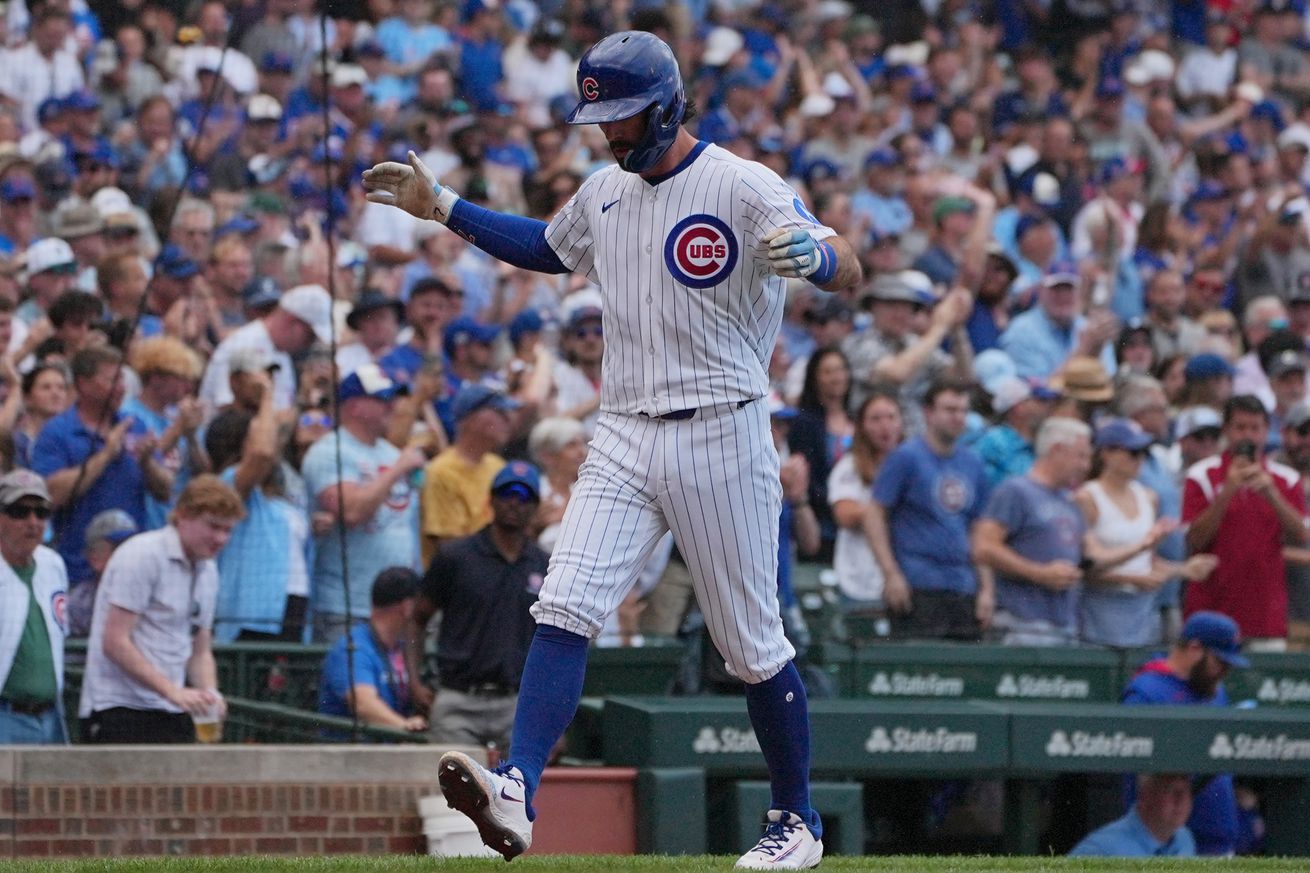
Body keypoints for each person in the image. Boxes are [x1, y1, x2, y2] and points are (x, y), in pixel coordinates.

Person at [364, 30, 861, 868]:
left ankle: (796, 820)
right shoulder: (604, 191)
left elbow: (847, 262)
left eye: (624, 116)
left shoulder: (740, 182)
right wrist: (444, 205)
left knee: (751, 644)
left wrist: (815, 255)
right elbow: (544, 248)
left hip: (723, 426)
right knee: (563, 603)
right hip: (625, 428)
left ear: (667, 106)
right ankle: (517, 783)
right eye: (601, 117)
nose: (610, 131)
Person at [78, 476, 244, 744]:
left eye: (228, 530)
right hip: (119, 706)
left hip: (173, 709)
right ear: (183, 516)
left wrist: (210, 693)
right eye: (213, 526)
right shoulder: (142, 554)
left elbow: (200, 648)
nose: (221, 538)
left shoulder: (208, 570)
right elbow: (115, 641)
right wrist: (172, 691)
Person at [413, 462, 550, 750]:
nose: (514, 502)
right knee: (455, 778)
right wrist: (414, 682)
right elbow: (417, 618)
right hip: (458, 698)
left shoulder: (545, 564)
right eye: (507, 493)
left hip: (518, 703)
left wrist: (551, 716)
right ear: (491, 500)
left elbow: (555, 638)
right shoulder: (456, 556)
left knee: (521, 781)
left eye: (524, 496)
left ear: (535, 506)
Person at [302, 364, 425, 643]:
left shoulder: (392, 453)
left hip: (399, 606)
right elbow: (352, 512)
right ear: (354, 406)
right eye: (382, 399)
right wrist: (397, 471)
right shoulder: (329, 451)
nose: (391, 406)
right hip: (348, 606)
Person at [31, 346, 169, 588]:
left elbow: (165, 490)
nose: (121, 388)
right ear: (83, 384)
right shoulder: (57, 432)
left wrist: (147, 463)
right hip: (77, 572)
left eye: (122, 380)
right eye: (112, 380)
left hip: (132, 568)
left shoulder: (134, 425)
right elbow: (51, 495)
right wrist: (106, 454)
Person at [867, 380, 992, 640]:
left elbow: (979, 531)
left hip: (963, 586)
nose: (958, 417)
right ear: (928, 413)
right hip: (917, 584)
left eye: (963, 410)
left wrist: (987, 589)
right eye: (950, 410)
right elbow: (875, 514)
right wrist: (891, 573)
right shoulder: (906, 457)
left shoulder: (974, 463)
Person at [1075, 419, 1216, 648]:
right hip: (1098, 616)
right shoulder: (1087, 497)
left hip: (1142, 616)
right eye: (1132, 452)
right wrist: (1134, 573)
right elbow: (1086, 566)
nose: (1140, 459)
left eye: (1144, 453)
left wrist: (1183, 569)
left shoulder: (1148, 497)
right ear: (1106, 453)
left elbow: (1146, 562)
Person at [1122, 611, 1253, 855]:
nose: (1224, 672)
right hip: (1167, 843)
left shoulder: (1214, 689)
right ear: (1194, 648)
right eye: (1220, 662)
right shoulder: (1147, 691)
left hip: (1218, 838)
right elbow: (1139, 775)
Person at [1183, 395, 1307, 647]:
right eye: (1240, 427)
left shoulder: (1286, 479)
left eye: (1255, 428)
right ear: (1226, 430)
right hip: (1211, 610)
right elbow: (1195, 539)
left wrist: (1272, 495)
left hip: (1265, 616)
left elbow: (1301, 535)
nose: (1248, 435)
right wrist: (1227, 491)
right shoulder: (1201, 475)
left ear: (1266, 431)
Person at [971, 417, 1092, 646]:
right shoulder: (1015, 491)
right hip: (1022, 623)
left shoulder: (1071, 501)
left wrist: (1143, 546)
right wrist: (1040, 573)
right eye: (1081, 456)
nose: (1086, 466)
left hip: (1065, 624)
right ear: (1057, 450)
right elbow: (983, 547)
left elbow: (1091, 553)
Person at [0, 470, 69, 744]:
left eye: (41, 513)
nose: (32, 522)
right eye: (20, 512)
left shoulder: (53, 565)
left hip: (52, 716)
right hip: (6, 715)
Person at [318, 567, 428, 734]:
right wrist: (405, 726)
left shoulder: (401, 647)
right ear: (407, 607)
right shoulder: (353, 648)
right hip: (352, 748)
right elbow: (363, 703)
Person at [420, 384, 515, 564]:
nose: (508, 420)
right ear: (472, 418)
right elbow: (451, 549)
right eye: (500, 412)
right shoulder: (441, 472)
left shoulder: (498, 466)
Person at [828, 391, 902, 608]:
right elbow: (844, 514)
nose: (885, 426)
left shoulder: (911, 465)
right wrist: (889, 509)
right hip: (861, 579)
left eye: (891, 417)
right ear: (861, 425)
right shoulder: (849, 467)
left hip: (906, 577)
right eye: (876, 419)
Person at [1068, 773, 1196, 857]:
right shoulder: (1100, 851)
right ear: (1145, 795)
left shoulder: (1184, 839)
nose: (1181, 799)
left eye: (1186, 790)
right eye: (1170, 790)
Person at [69, 509, 139, 639]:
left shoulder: (150, 593)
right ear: (94, 557)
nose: (128, 554)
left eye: (132, 545)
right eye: (119, 548)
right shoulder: (79, 602)